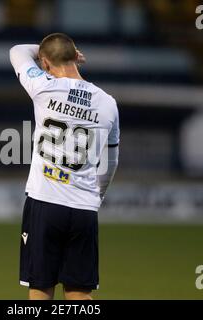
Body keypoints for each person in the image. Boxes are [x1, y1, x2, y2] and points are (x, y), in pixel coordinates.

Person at [9, 33, 119, 300]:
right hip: (84, 208)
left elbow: (17, 51)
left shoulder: (43, 86)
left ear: (45, 63)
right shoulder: (108, 103)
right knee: (80, 294)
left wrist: (50, 50)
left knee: (41, 289)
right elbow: (111, 162)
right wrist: (97, 195)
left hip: (45, 203)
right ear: (75, 59)